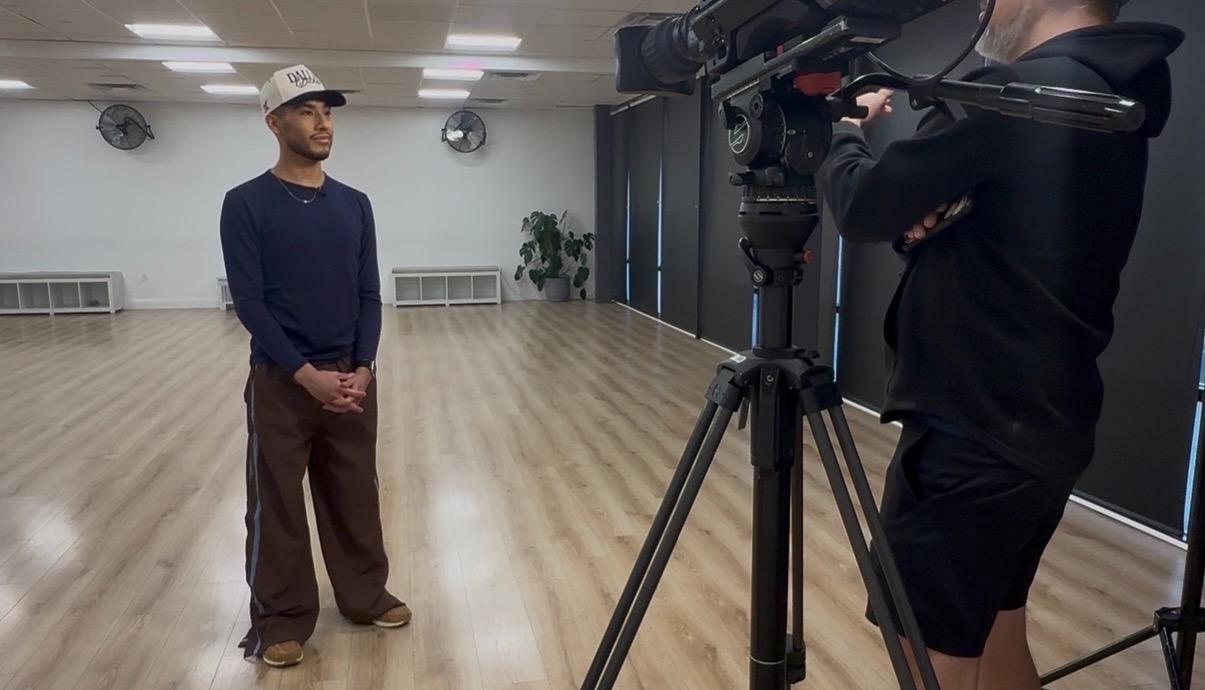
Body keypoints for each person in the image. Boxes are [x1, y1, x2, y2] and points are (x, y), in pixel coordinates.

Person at [815, 2, 1182, 688]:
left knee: (930, 660)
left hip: (971, 431)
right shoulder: (1107, 91)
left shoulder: (1018, 95)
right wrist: (928, 215)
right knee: (997, 631)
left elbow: (864, 205)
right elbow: (1008, 228)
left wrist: (843, 131)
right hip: (1044, 426)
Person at [219, 64, 411, 669]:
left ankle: (365, 595)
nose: (322, 122)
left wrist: (365, 368)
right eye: (306, 111)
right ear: (274, 123)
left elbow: (369, 294)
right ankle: (280, 618)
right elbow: (250, 303)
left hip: (351, 378)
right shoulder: (245, 204)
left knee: (356, 493)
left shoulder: (355, 204)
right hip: (282, 381)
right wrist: (306, 375)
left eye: (326, 111)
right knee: (276, 503)